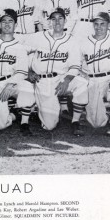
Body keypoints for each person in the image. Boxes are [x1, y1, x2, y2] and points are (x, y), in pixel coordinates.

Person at [26, 8, 88, 136]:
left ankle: (76, 121)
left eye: (60, 18)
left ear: (65, 21)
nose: (57, 22)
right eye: (53, 19)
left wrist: (66, 80)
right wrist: (29, 71)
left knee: (82, 83)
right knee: (49, 126)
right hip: (42, 80)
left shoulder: (72, 40)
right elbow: (21, 53)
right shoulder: (38, 37)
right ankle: (47, 111)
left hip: (62, 78)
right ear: (49, 22)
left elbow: (75, 65)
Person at [0, 9, 35, 135]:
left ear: (15, 25)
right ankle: (14, 115)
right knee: (0, 126)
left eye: (10, 21)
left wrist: (10, 83)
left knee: (28, 88)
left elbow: (22, 71)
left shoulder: (20, 45)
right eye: (4, 21)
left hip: (13, 81)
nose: (7, 24)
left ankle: (24, 122)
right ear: (0, 25)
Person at [79, 12, 110, 135]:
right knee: (96, 123)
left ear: (109, 25)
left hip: (109, 78)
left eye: (102, 24)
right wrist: (83, 78)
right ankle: (105, 113)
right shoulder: (84, 42)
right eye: (96, 24)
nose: (99, 27)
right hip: (92, 80)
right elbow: (78, 64)